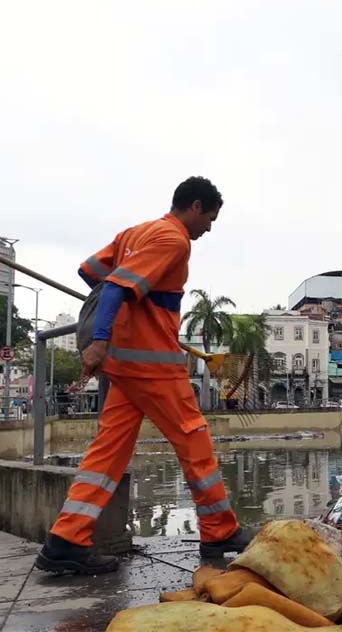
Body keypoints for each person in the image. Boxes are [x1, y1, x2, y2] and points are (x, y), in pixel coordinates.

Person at [35, 177, 253, 574]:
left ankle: (65, 540)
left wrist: (135, 302)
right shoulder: (173, 240)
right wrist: (100, 337)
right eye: (211, 219)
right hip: (151, 364)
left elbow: (92, 273)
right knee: (193, 437)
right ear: (196, 207)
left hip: (124, 367)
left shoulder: (135, 233)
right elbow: (116, 287)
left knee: (108, 452)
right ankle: (219, 530)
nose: (209, 228)